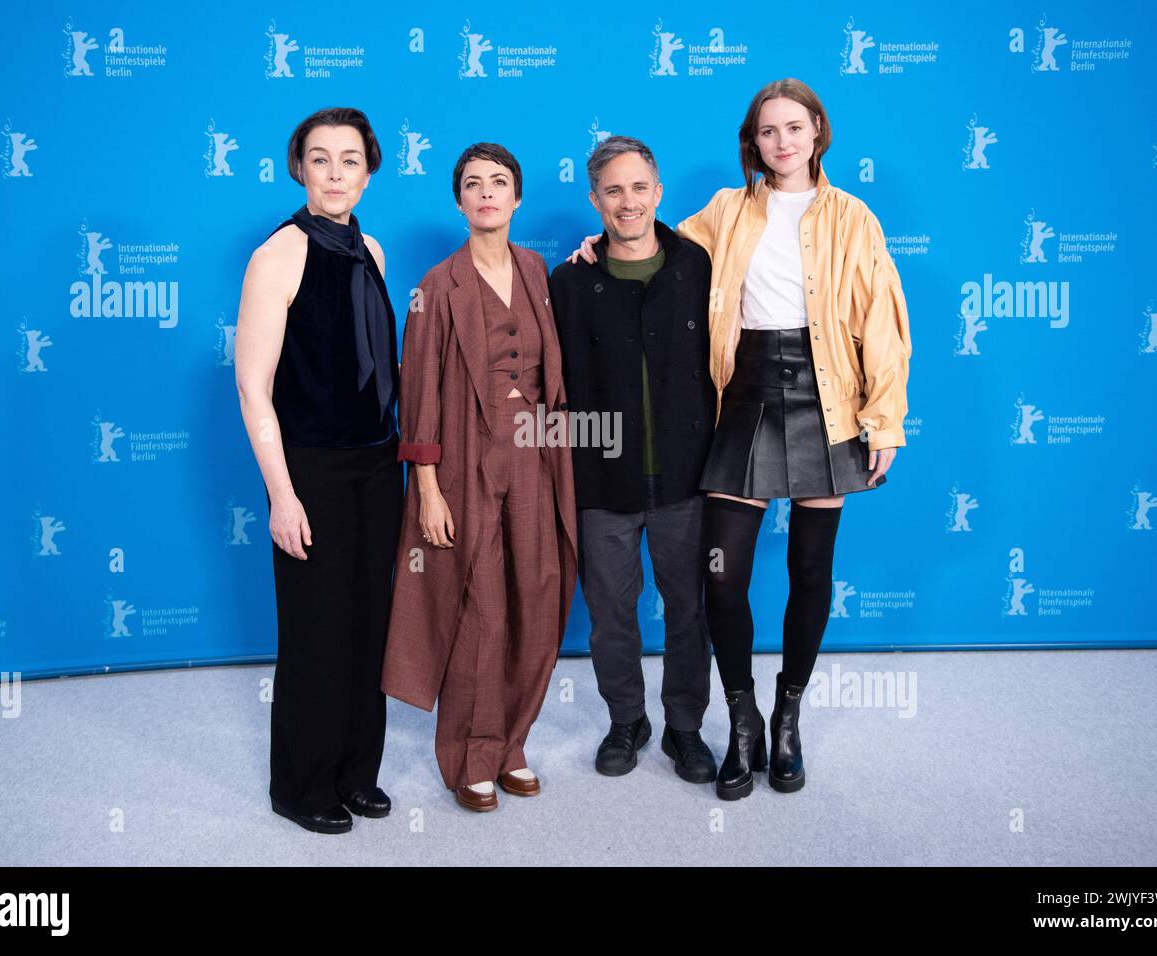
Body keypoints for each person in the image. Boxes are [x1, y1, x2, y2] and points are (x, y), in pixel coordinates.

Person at [573, 78, 912, 800]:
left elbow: (881, 322)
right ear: (752, 142)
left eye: (794, 127)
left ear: (818, 131)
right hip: (747, 398)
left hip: (829, 400)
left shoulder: (856, 218)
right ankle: (743, 718)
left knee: (811, 573)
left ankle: (788, 717)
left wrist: (885, 420)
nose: (782, 141)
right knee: (721, 575)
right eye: (767, 131)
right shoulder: (728, 210)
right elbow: (647, 241)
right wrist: (595, 242)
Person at [381, 143, 578, 813]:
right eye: (473, 184)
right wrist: (427, 487)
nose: (487, 192)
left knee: (539, 599)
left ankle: (512, 743)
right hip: (466, 464)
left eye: (499, 182)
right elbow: (420, 392)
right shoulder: (438, 285)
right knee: (482, 614)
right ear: (459, 201)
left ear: (516, 198)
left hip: (538, 461)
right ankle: (471, 754)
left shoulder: (537, 270)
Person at [234, 107, 403, 833]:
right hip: (312, 467)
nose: (336, 174)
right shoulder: (278, 254)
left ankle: (356, 773)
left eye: (350, 160)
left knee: (372, 625)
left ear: (369, 170)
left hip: (377, 463)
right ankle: (302, 787)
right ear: (298, 168)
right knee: (316, 629)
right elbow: (252, 386)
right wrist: (281, 493)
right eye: (321, 159)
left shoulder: (373, 248)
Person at [548, 136, 718, 783]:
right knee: (612, 615)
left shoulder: (697, 266)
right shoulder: (569, 280)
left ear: (659, 192)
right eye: (613, 190)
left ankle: (684, 728)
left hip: (687, 475)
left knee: (688, 609)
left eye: (638, 187)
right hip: (601, 479)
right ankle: (627, 720)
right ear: (595, 200)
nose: (628, 201)